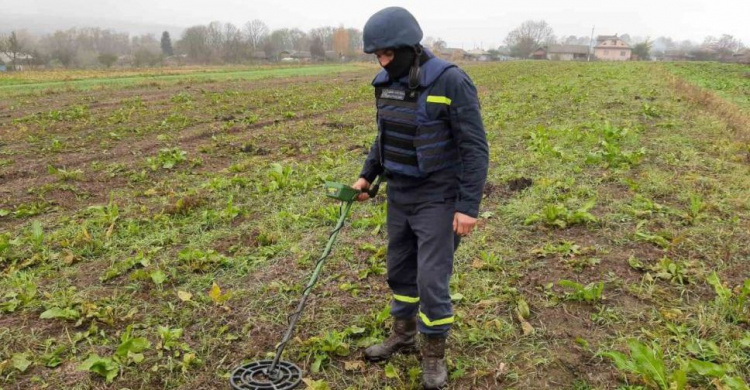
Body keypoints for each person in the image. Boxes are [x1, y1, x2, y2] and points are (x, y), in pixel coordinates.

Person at [351, 6, 489, 389]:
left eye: (388, 54)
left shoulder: (450, 82)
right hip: (400, 193)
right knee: (399, 268)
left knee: (431, 279)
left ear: (410, 47)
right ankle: (403, 334)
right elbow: (386, 135)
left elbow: (475, 148)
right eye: (378, 55)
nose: (382, 61)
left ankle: (434, 354)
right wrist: (367, 176)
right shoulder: (385, 84)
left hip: (438, 196)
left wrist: (467, 206)